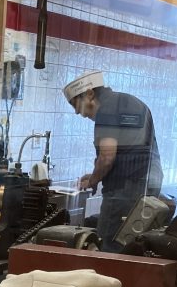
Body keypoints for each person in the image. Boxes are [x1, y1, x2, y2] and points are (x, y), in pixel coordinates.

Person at [64, 71, 163, 252]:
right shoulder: (132, 103)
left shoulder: (107, 109)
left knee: (109, 249)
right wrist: (95, 174)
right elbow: (128, 150)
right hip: (149, 187)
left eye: (76, 105)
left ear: (89, 94)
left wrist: (93, 180)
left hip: (124, 191)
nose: (79, 113)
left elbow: (107, 157)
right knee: (133, 248)